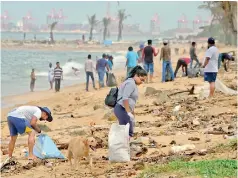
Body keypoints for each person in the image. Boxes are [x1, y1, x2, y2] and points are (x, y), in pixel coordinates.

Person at [114, 66, 147, 137]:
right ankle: (123, 146)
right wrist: (128, 112)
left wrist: (132, 111)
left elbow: (130, 100)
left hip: (123, 109)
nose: (142, 82)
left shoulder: (131, 83)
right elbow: (125, 98)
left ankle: (125, 146)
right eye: (142, 80)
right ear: (136, 75)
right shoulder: (130, 83)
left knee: (126, 130)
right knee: (127, 131)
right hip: (122, 109)